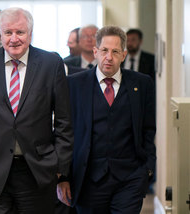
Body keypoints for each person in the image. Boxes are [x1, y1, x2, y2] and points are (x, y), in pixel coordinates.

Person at [0, 7, 74, 214]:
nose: (14, 39)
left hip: (37, 172)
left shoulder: (51, 63)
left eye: (20, 32)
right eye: (8, 32)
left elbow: (64, 121)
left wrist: (59, 167)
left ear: (30, 33)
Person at [65, 26, 156, 213]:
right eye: (104, 51)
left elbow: (148, 129)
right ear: (96, 52)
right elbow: (66, 130)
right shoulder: (75, 84)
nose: (109, 57)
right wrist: (63, 177)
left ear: (123, 55)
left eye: (115, 52)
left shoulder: (142, 84)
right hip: (88, 179)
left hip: (130, 178)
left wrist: (147, 170)